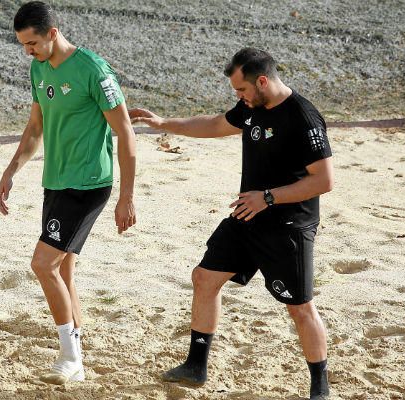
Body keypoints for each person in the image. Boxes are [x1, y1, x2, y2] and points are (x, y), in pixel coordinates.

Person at [129, 48, 333, 399]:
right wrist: (164, 124)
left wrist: (267, 197)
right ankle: (195, 366)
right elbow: (215, 124)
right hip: (247, 215)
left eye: (241, 89)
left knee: (299, 308)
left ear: (263, 81)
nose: (238, 96)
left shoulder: (303, 117)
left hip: (288, 225)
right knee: (204, 278)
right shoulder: (252, 107)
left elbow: (324, 181)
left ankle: (320, 386)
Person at [0, 1, 136, 385]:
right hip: (55, 181)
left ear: (53, 34)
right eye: (23, 45)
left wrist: (126, 196)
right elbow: (35, 127)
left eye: (33, 43)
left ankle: (70, 357)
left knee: (43, 265)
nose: (28, 51)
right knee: (64, 268)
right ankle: (77, 358)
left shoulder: (94, 69)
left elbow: (125, 131)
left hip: (88, 184)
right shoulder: (38, 68)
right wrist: (11, 170)